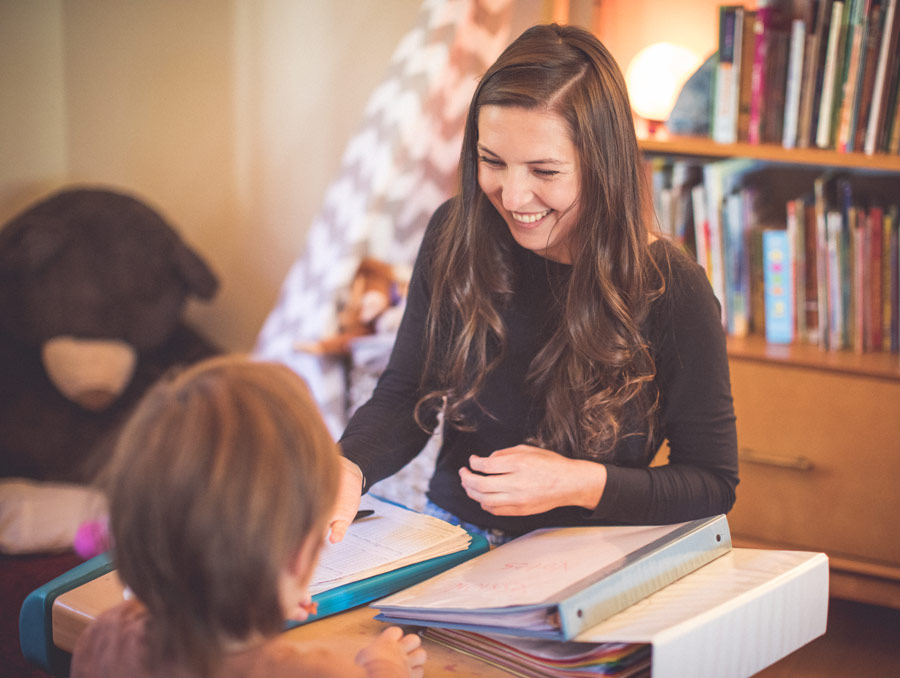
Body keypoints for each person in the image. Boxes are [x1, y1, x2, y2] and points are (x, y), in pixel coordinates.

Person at [330, 23, 739, 547]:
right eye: (492, 161)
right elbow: (409, 394)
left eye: (544, 171)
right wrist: (348, 468)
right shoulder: (454, 234)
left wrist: (579, 482)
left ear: (602, 165)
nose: (514, 196)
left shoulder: (671, 289)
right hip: (456, 534)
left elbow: (711, 483)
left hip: (590, 552)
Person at [70, 355, 426, 678]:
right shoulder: (316, 671)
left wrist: (258, 603)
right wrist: (386, 667)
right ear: (296, 559)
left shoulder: (106, 636)